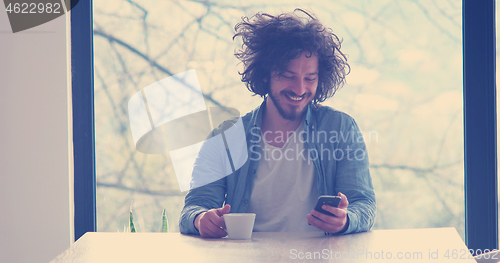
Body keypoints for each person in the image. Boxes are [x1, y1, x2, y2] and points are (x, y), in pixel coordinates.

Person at [179, 9, 376, 237]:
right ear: (265, 74)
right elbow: (193, 208)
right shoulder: (224, 139)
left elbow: (364, 204)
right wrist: (200, 219)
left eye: (310, 78)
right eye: (288, 76)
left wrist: (347, 220)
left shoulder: (340, 129)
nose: (300, 89)